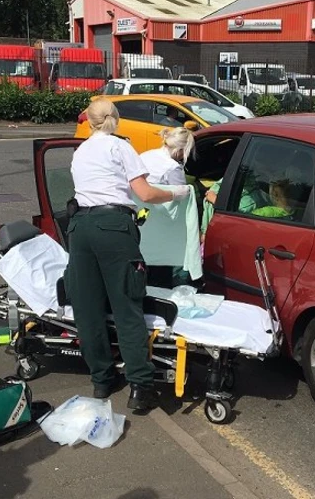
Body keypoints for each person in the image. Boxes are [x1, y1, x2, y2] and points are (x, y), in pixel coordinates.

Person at [66, 98, 191, 412]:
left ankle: (102, 379)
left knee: (88, 309)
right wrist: (179, 192)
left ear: (91, 121)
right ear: (116, 119)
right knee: (126, 307)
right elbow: (145, 194)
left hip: (80, 229)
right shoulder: (119, 147)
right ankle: (140, 386)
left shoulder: (80, 151)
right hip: (114, 228)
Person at [140, 127, 197, 288]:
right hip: (161, 221)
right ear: (181, 150)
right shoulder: (172, 168)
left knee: (144, 258)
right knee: (161, 268)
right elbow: (182, 198)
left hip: (142, 216)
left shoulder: (146, 156)